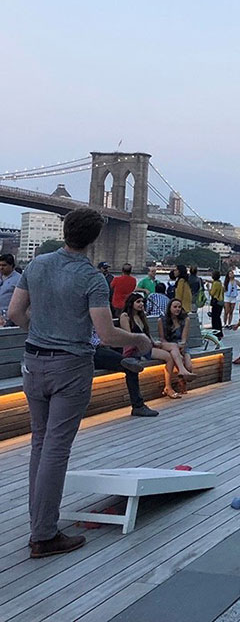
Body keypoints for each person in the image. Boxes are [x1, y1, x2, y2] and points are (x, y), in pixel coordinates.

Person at [6, 208, 151, 558]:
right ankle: (42, 534)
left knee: (40, 443)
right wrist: (144, 342)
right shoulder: (90, 277)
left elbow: (13, 313)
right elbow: (104, 332)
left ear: (65, 230)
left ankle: (39, 522)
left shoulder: (38, 265)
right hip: (70, 367)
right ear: (94, 239)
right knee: (55, 448)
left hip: (33, 361)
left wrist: (42, 333)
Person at [120, 293, 190, 399]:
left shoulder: (141, 315)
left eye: (142, 301)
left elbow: (146, 333)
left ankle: (168, 386)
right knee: (172, 351)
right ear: (131, 303)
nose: (141, 304)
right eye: (138, 302)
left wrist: (153, 341)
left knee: (170, 356)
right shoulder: (125, 316)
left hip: (147, 346)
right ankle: (179, 373)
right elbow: (129, 336)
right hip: (135, 350)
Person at [158, 299, 196, 395]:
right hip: (167, 345)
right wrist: (174, 349)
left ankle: (182, 382)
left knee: (189, 366)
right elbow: (162, 339)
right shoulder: (162, 320)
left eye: (179, 307)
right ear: (169, 308)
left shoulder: (185, 319)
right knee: (177, 356)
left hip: (181, 346)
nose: (177, 309)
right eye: (175, 307)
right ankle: (180, 381)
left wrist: (181, 347)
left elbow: (184, 339)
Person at [0, 253, 21, 325]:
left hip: (8, 319)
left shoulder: (19, 279)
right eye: (0, 265)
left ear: (11, 265)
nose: (1, 268)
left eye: (4, 265)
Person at [207, 270, 224, 337]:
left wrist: (208, 288)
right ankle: (220, 332)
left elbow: (212, 293)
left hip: (216, 302)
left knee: (214, 318)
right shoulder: (219, 283)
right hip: (220, 301)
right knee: (218, 318)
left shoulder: (215, 283)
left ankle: (215, 332)